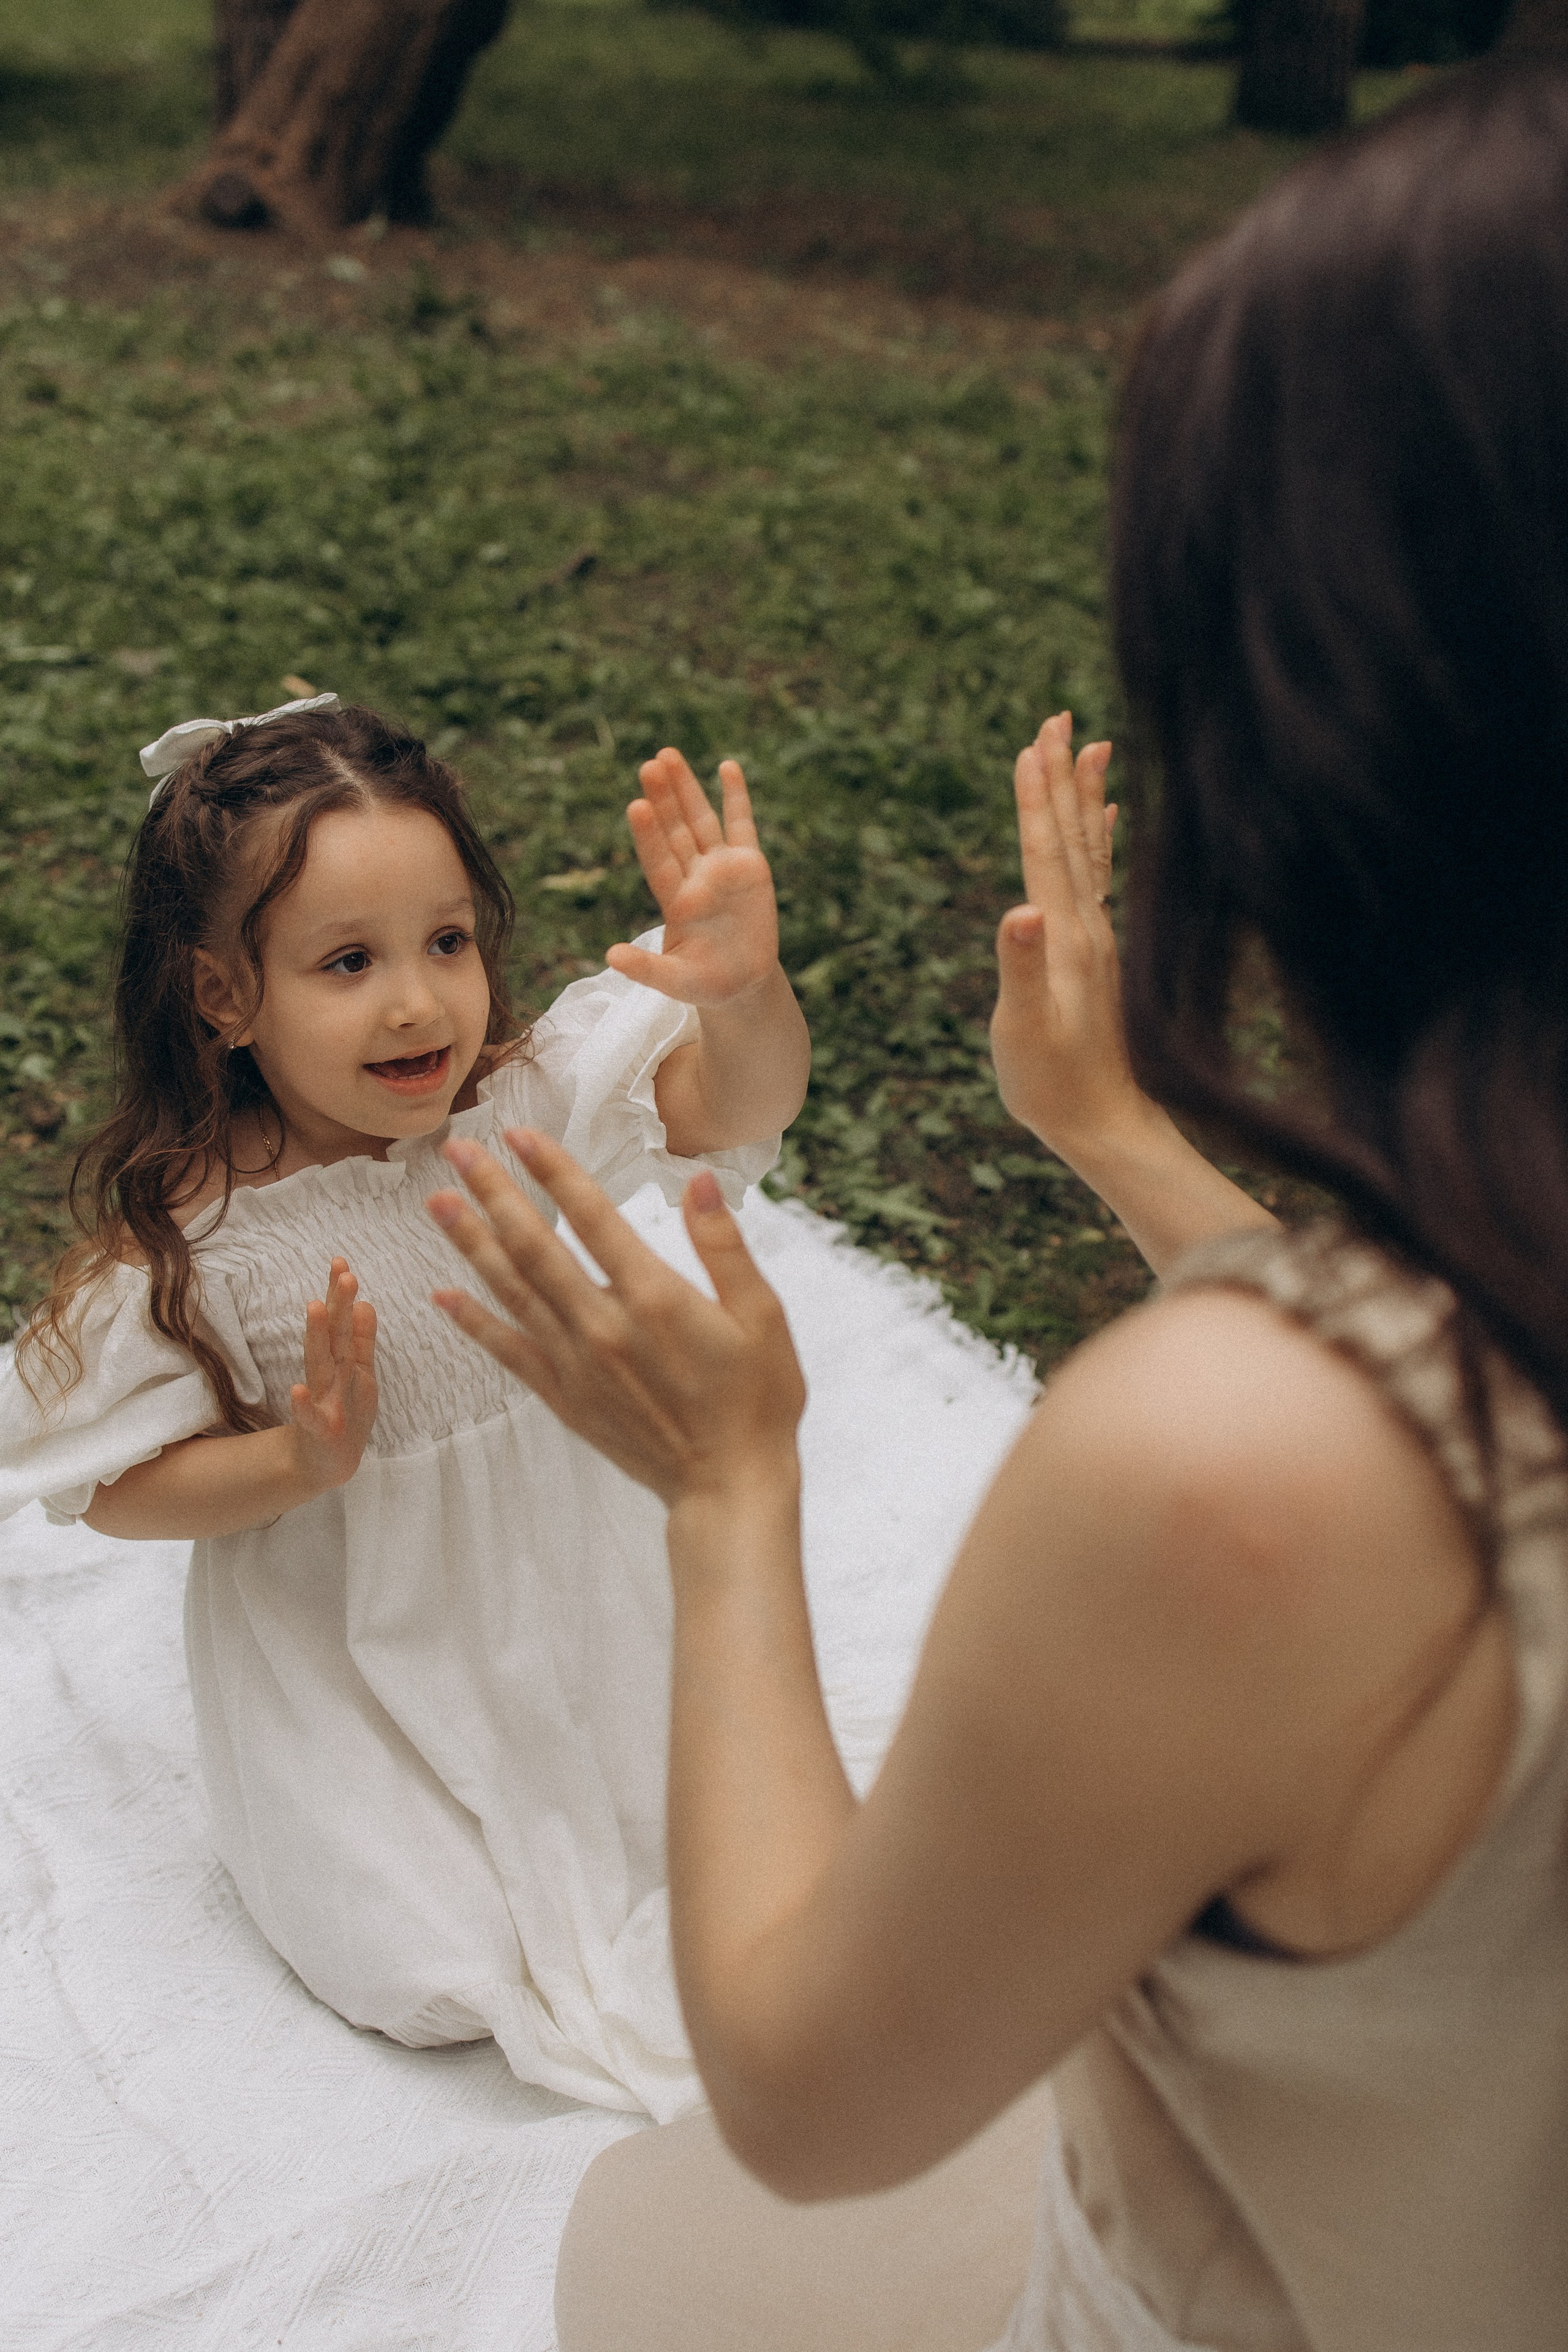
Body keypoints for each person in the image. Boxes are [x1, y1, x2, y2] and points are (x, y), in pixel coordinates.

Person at [421, 61, 1568, 2352]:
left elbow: (811, 2089)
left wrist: (735, 1489)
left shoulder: (1222, 1470)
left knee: (650, 2243)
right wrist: (1129, 1148)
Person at [0, 699, 805, 2118]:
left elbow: (727, 1106)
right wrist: (293, 1459)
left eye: (447, 942)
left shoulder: (514, 1114)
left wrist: (743, 993)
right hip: (359, 1645)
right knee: (424, 1958)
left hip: (569, 1581)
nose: (419, 1002)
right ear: (222, 996)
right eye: (348, 962)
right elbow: (114, 1490)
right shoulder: (206, 1249)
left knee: (675, 1834)